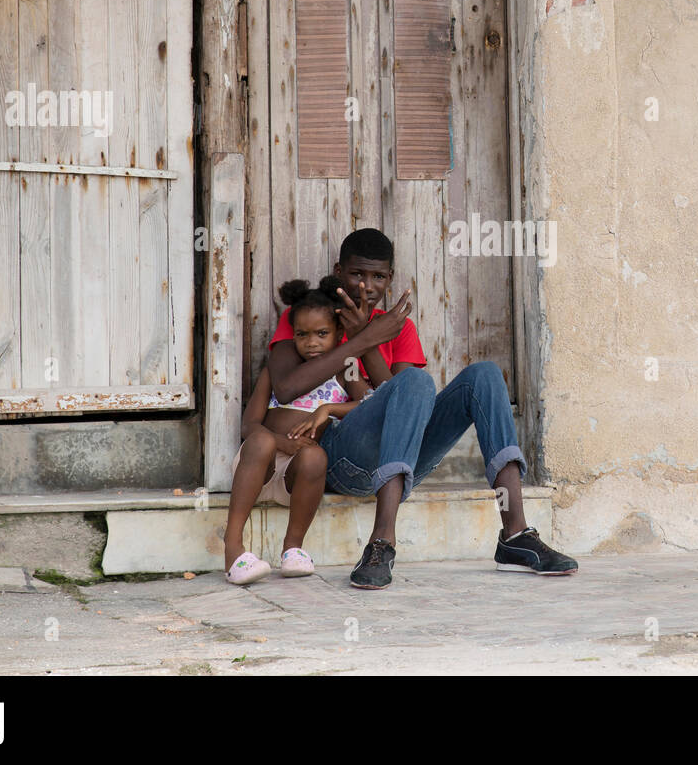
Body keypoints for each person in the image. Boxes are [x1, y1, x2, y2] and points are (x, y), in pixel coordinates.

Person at [267, 228, 579, 589]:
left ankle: (514, 534)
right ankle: (381, 542)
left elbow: (402, 399)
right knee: (416, 382)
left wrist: (370, 338)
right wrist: (365, 337)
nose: (366, 286)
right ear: (339, 271)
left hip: (403, 461)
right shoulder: (312, 317)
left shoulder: (398, 328)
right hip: (342, 459)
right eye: (356, 274)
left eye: (378, 277)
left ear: (390, 279)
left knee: (484, 375)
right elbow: (286, 388)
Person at [223, 277, 371, 585]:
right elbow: (249, 426)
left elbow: (369, 404)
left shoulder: (346, 370)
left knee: (316, 456)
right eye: (302, 335)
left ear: (339, 333)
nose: (312, 342)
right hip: (259, 468)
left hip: (297, 478)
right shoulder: (279, 372)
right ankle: (234, 550)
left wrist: (328, 409)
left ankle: (293, 549)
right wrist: (281, 442)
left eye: (322, 334)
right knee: (262, 439)